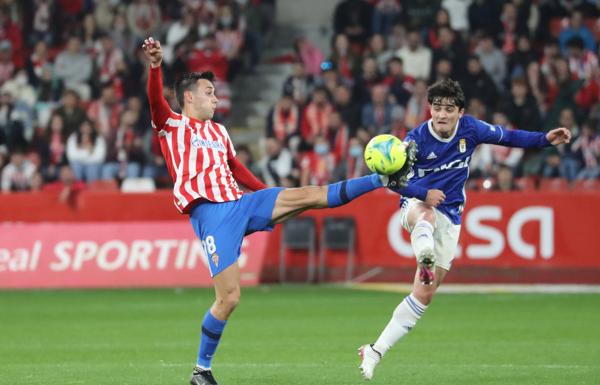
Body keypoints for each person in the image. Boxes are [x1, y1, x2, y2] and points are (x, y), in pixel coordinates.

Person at [141, 37, 415, 385]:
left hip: (242, 204)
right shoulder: (172, 125)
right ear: (189, 97)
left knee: (308, 195)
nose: (215, 97)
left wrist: (269, 196)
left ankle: (381, 179)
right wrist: (155, 66)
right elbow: (154, 102)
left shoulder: (220, 132)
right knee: (228, 299)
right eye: (209, 91)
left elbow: (236, 169)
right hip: (212, 215)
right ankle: (201, 370)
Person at [358, 78, 571, 380]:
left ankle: (375, 350)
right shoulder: (415, 140)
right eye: (436, 108)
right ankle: (425, 255)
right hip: (417, 206)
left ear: (459, 111)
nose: (441, 115)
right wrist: (422, 194)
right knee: (426, 217)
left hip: (452, 216)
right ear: (429, 109)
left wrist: (545, 139)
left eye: (447, 109)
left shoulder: (471, 129)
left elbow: (509, 137)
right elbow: (392, 181)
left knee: (423, 295)